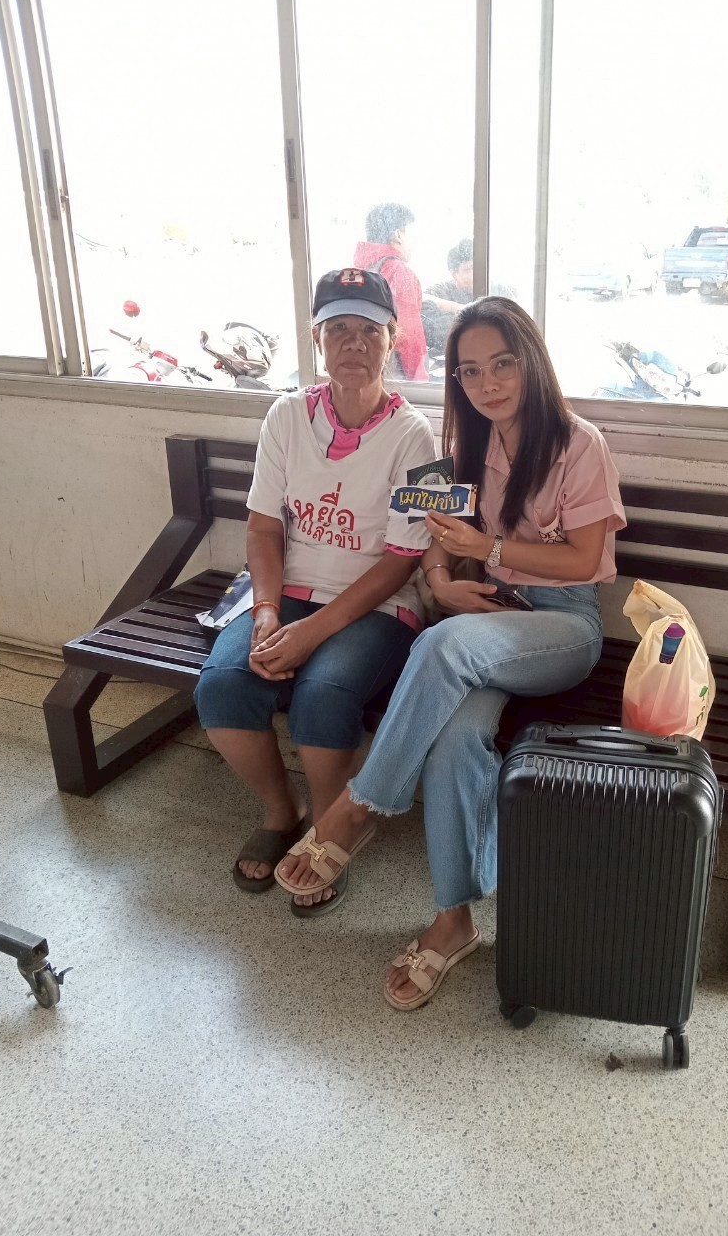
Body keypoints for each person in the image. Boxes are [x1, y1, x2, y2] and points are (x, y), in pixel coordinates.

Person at [275, 296, 626, 1004]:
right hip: (485, 617)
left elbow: (585, 558)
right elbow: (434, 535)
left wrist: (488, 550)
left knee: (442, 644)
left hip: (562, 627)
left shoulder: (578, 443)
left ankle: (358, 805)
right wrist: (441, 580)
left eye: (502, 364)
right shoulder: (465, 443)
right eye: (469, 371)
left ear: (531, 361)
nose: (487, 383)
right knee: (456, 739)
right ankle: (453, 920)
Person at [193, 268, 437, 904]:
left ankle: (332, 831)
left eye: (370, 331)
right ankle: (283, 812)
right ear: (316, 338)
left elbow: (403, 559)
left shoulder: (415, 434)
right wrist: (267, 612)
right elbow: (263, 527)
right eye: (339, 329)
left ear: (393, 339)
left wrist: (309, 635)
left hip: (378, 603)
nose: (354, 343)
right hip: (289, 591)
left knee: (323, 695)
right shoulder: (286, 415)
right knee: (223, 684)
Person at [353, 203, 428, 381]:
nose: (415, 242)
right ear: (398, 235)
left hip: (361, 372)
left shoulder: (356, 271)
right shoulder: (398, 272)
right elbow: (409, 338)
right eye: (411, 234)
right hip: (392, 378)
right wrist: (421, 382)